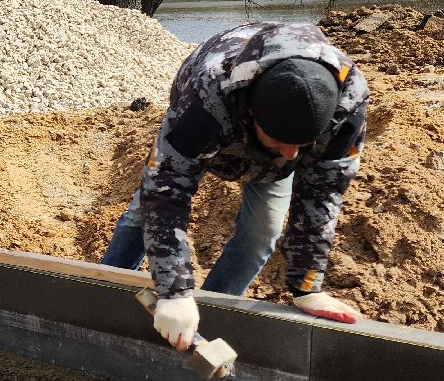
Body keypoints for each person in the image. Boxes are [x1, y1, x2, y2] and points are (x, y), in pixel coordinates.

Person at [102, 22, 369, 351]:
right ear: (253, 113)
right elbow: (166, 191)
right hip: (216, 127)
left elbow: (323, 195)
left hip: (263, 152)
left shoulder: (348, 104)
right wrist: (174, 290)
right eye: (282, 141)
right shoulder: (206, 96)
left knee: (262, 234)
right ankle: (99, 296)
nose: (291, 155)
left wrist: (307, 286)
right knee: (143, 213)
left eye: (303, 144)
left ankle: (202, 325)